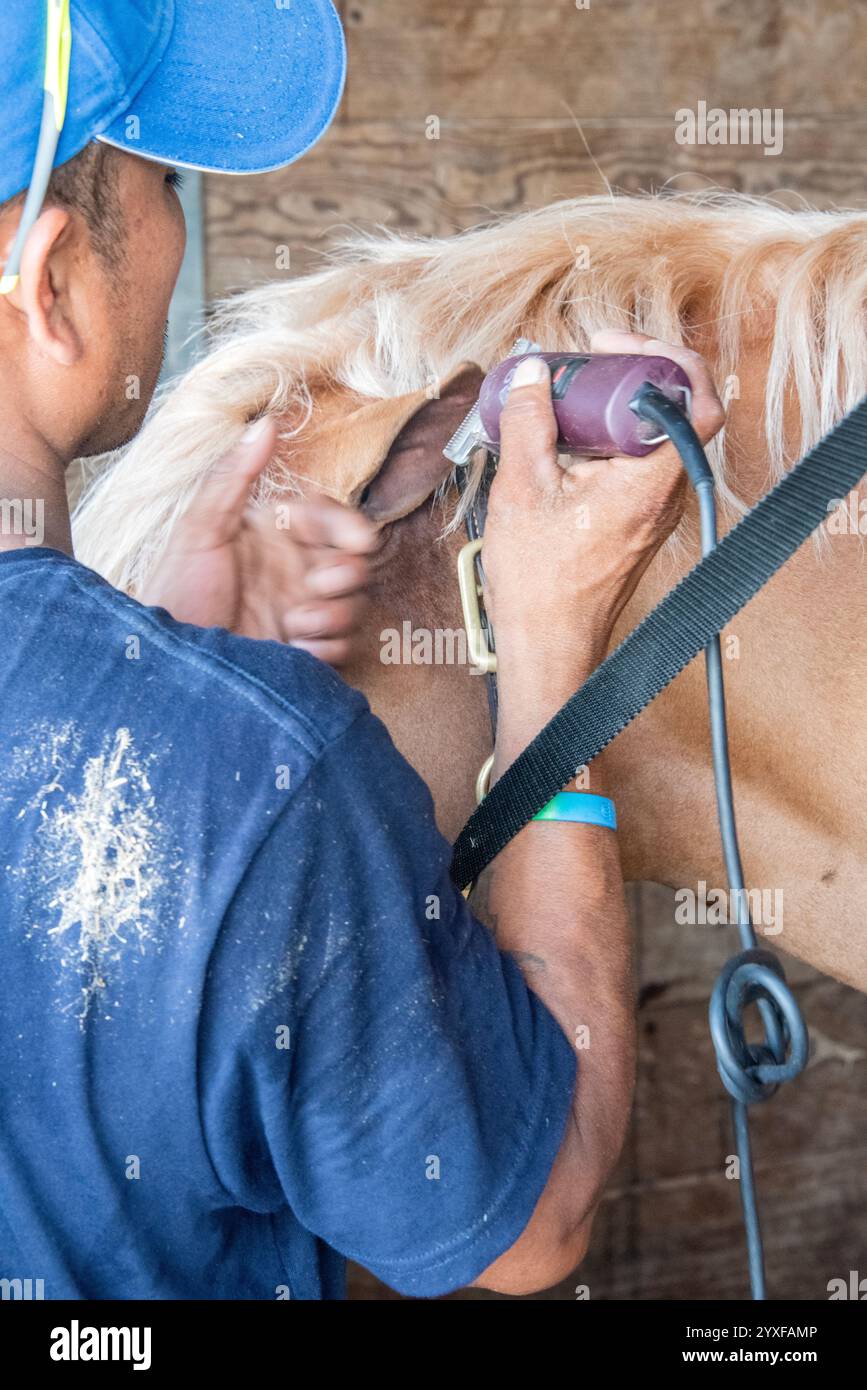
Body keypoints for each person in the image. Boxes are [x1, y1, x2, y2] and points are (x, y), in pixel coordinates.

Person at [0, 0, 725, 1299]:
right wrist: (550, 654)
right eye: (163, 180)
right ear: (52, 284)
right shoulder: (265, 779)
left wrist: (173, 675)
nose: (171, 228)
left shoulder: (212, 750)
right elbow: (538, 1213)